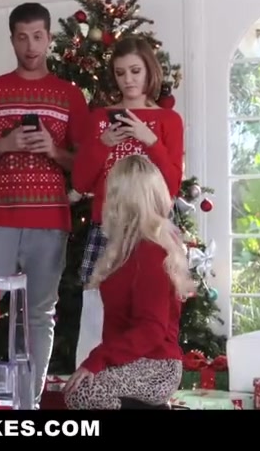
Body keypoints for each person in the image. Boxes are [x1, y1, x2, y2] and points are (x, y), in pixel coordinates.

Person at [0, 2, 90, 404]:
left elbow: (86, 166)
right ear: (12, 39)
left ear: (49, 38)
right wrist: (3, 144)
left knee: (39, 316)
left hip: (50, 223)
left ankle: (29, 405)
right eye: (22, 37)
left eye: (37, 37)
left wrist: (53, 150)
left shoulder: (69, 95)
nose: (30, 46)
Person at [71, 37, 184, 368]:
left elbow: (172, 186)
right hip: (106, 227)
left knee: (149, 307)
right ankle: (91, 374)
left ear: (149, 71)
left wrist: (150, 140)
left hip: (151, 229)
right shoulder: (101, 119)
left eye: (135, 71)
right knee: (97, 308)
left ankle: (138, 380)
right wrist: (103, 143)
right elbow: (80, 182)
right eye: (120, 73)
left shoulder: (169, 121)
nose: (128, 80)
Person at [63, 155, 193, 409]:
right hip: (133, 360)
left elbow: (151, 329)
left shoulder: (150, 252)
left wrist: (99, 359)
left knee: (83, 393)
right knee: (80, 389)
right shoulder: (126, 249)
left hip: (157, 365)